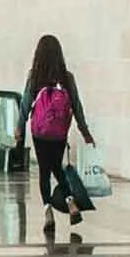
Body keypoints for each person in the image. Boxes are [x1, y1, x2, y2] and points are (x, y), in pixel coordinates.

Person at [22, 31, 97, 241]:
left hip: (40, 132)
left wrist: (19, 127)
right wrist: (84, 131)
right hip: (59, 132)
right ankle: (71, 201)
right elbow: (76, 105)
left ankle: (48, 211)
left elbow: (25, 105)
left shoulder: (34, 77)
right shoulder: (67, 77)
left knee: (45, 171)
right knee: (57, 166)